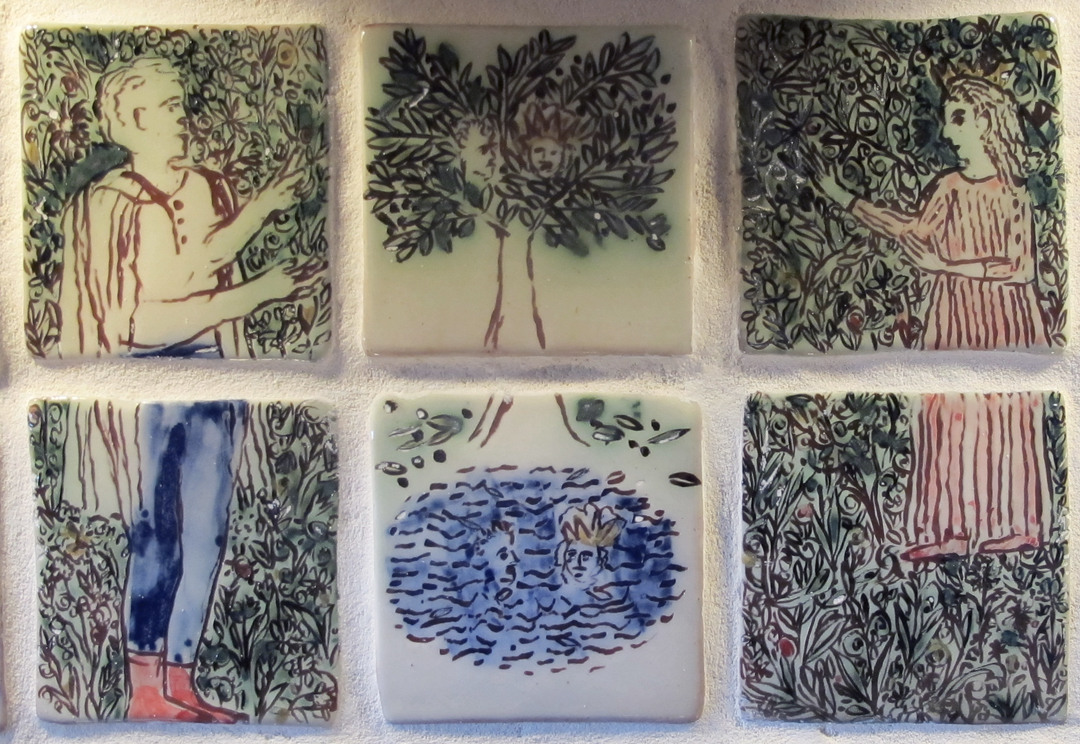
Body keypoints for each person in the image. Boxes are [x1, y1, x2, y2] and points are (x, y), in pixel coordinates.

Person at [818, 76, 1052, 558]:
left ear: (986, 121)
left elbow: (1021, 267)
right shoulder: (948, 186)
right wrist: (847, 201)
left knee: (1003, 414)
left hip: (1005, 316)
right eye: (948, 120)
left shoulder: (1013, 193)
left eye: (959, 118)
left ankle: (1018, 526)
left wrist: (948, 265)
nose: (949, 132)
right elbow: (913, 232)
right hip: (953, 312)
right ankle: (950, 531)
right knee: (948, 412)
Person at [58, 58, 312, 359]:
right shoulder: (110, 203)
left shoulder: (205, 186)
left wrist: (267, 203)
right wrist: (253, 295)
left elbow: (199, 262)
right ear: (138, 118)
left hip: (219, 362)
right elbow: (128, 327)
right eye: (170, 106)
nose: (183, 117)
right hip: (144, 373)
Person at [125, 401, 248, 723]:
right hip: (162, 398)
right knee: (158, 530)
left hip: (219, 406)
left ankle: (179, 684)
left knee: (205, 537)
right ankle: (146, 690)